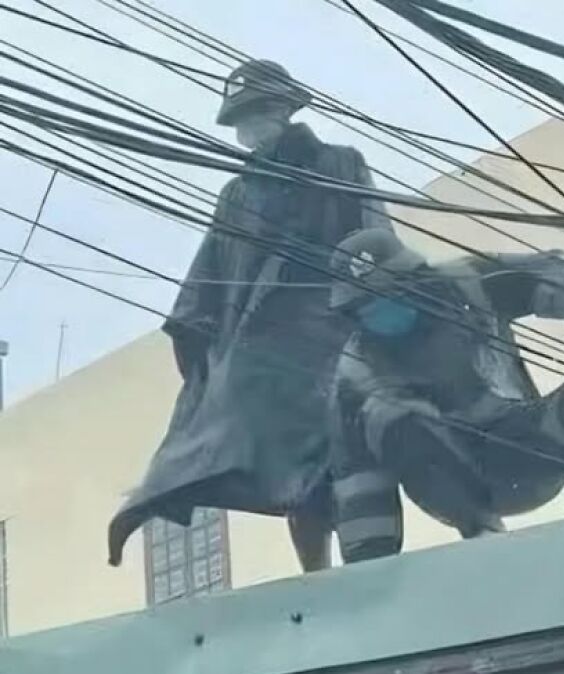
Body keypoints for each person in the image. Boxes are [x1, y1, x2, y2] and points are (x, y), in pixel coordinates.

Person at [108, 59, 390, 573]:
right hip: (265, 359)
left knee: (357, 457)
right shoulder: (237, 195)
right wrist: (202, 362)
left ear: (282, 108)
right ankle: (316, 575)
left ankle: (371, 571)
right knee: (290, 476)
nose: (247, 128)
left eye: (254, 113)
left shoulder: (342, 165)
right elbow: (205, 284)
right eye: (240, 118)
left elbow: (377, 245)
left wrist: (372, 311)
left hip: (336, 339)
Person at [327, 228, 564, 564]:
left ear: (415, 280)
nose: (383, 313)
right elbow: (358, 481)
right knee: (390, 414)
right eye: (368, 308)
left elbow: (563, 273)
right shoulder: (356, 374)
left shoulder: (465, 283)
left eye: (391, 296)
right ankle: (484, 538)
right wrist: (370, 570)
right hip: (446, 474)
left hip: (524, 443)